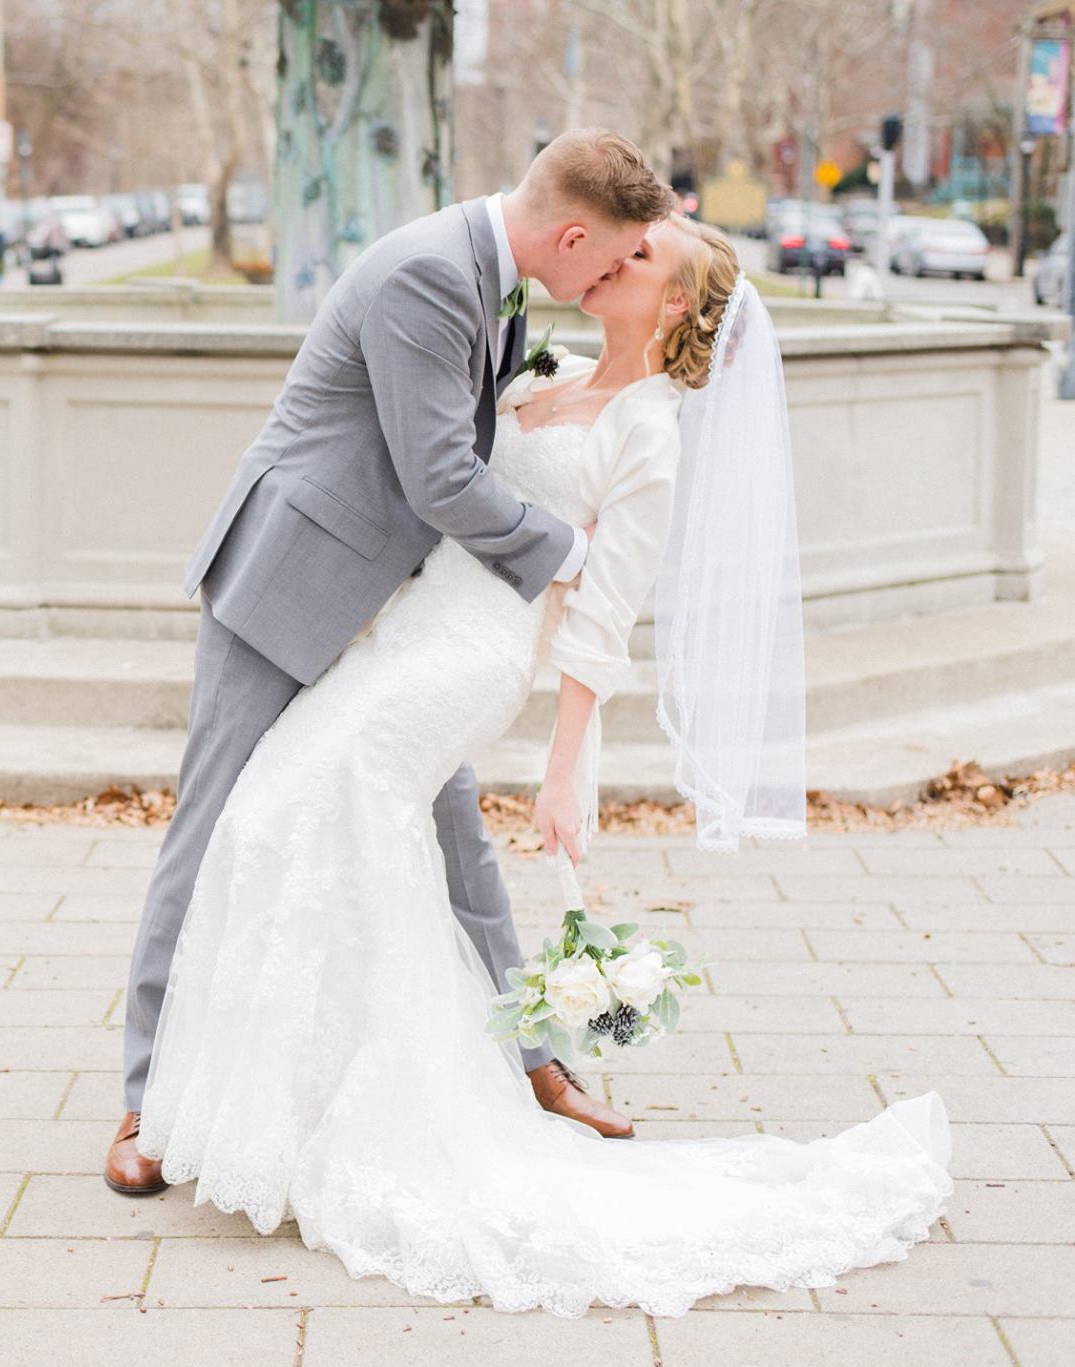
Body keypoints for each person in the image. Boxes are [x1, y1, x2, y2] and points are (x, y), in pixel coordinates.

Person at [130, 211, 952, 1315]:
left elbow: (602, 618)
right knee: (306, 816)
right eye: (615, 246)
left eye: (639, 257)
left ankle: (371, 1100)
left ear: (670, 306)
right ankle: (325, 1083)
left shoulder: (649, 432)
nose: (611, 262)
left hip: (470, 654)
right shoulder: (545, 364)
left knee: (303, 799)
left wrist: (566, 767)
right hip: (404, 626)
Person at [110, 129, 673, 1197]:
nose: (602, 280)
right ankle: (145, 1096)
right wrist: (572, 553)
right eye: (603, 260)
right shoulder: (427, 273)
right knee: (218, 818)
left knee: (453, 836)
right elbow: (439, 478)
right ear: (566, 234)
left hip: (406, 613)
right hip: (293, 583)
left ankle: (533, 1059)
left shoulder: (494, 274)